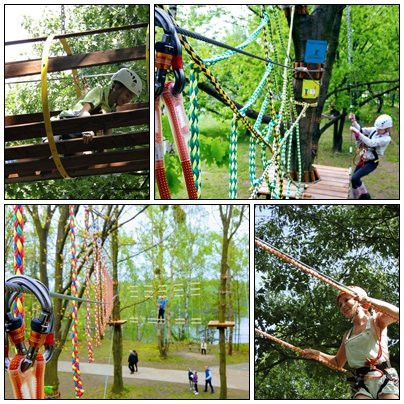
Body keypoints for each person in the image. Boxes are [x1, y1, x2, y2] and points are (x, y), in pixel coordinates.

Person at [301, 286, 399, 399]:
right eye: (340, 304)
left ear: (359, 300)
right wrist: (317, 354)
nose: (343, 306)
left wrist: (369, 300)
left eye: (346, 300)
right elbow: (338, 362)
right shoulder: (347, 335)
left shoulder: (376, 321)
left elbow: (398, 314)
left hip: (384, 378)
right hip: (361, 383)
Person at [51, 67, 142, 144]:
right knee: (49, 146)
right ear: (116, 87)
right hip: (67, 122)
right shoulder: (99, 92)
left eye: (131, 98)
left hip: (77, 133)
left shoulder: (112, 109)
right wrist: (87, 129)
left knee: (86, 157)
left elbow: (108, 132)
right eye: (127, 95)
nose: (128, 100)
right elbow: (84, 111)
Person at [349, 113, 393, 199]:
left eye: (380, 129)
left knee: (355, 178)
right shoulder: (375, 130)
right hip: (363, 160)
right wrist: (354, 122)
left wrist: (358, 134)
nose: (377, 130)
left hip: (372, 163)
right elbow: (361, 130)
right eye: (377, 128)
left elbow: (371, 143)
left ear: (387, 129)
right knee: (353, 180)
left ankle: (366, 197)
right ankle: (356, 197)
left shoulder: (386, 139)